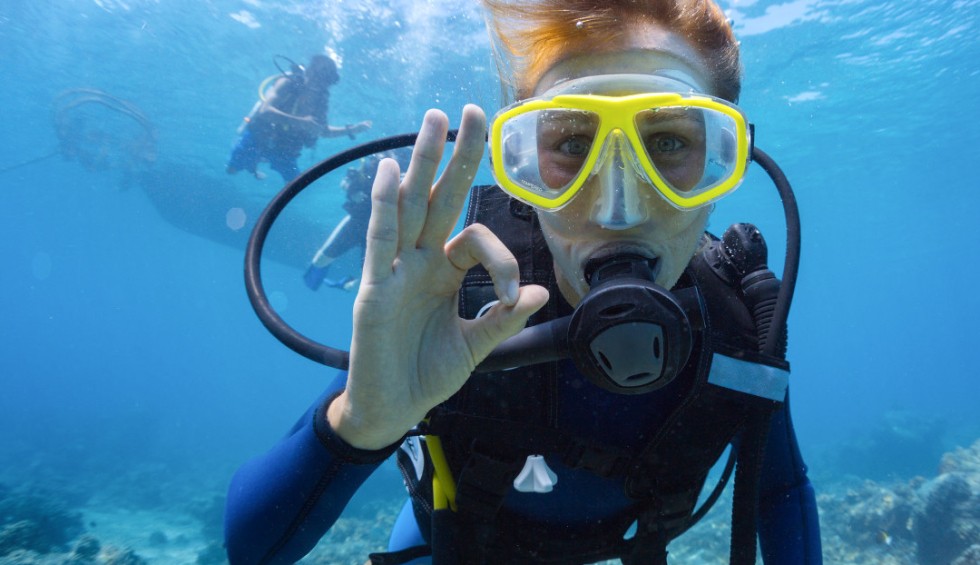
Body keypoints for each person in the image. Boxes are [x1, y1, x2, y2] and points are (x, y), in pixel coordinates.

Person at [224, 1, 823, 564]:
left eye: (668, 142)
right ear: (522, 170)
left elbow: (780, 490)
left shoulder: (741, 327)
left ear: (726, 160)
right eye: (570, 143)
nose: (620, 209)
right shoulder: (454, 305)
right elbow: (250, 549)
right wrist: (360, 422)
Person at [226, 54, 372, 183]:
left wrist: (351, 130)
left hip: (285, 151)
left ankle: (257, 164)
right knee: (231, 170)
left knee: (295, 184)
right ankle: (253, 165)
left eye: (325, 83)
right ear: (308, 72)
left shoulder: (321, 101)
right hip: (258, 139)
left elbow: (323, 131)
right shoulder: (288, 83)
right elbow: (264, 111)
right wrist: (301, 122)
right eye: (318, 79)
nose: (320, 87)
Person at [303, 149, 412, 291]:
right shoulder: (371, 164)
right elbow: (345, 182)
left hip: (382, 229)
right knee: (319, 261)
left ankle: (348, 286)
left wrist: (404, 184)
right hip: (357, 221)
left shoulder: (409, 173)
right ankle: (334, 283)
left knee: (371, 276)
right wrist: (352, 191)